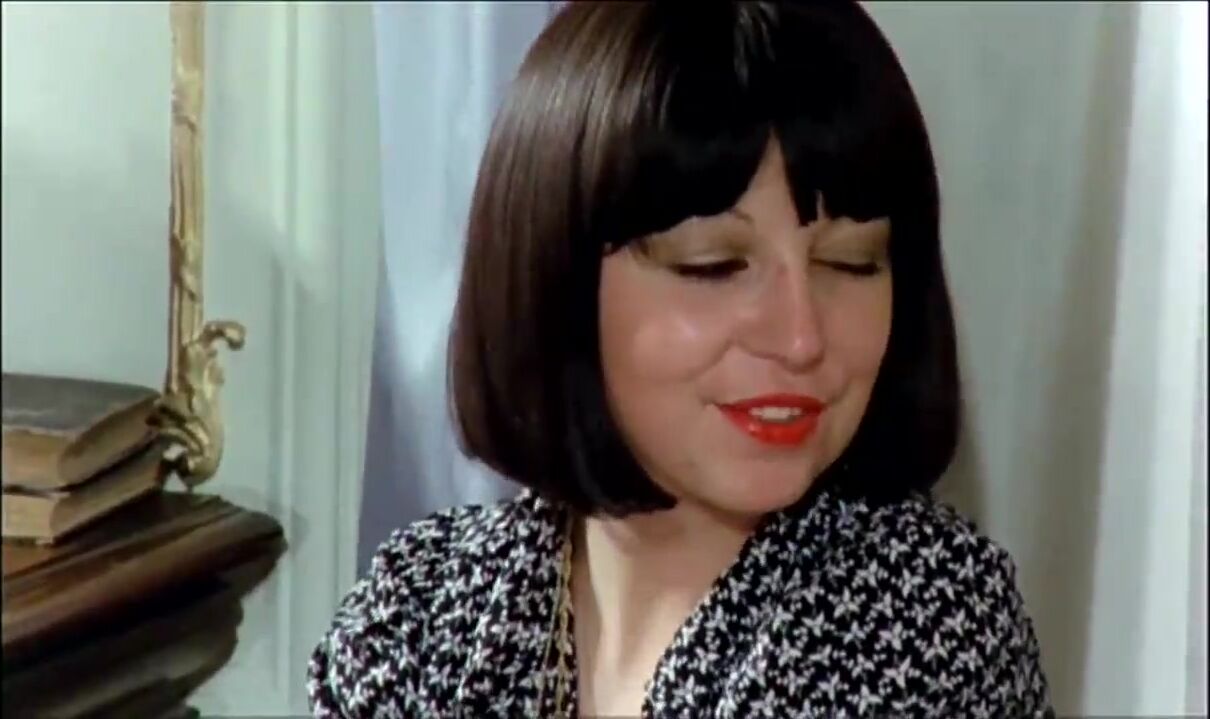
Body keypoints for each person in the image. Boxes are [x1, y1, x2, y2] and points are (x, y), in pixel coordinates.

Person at [308, 1, 1053, 717]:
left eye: (851, 262)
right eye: (713, 266)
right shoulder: (417, 612)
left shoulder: (923, 622)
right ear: (554, 280)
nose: (801, 337)